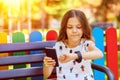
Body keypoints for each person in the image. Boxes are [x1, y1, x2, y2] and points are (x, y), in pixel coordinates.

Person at [43, 9, 103, 80]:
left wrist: (75, 56)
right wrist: (48, 65)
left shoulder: (86, 44)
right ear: (65, 29)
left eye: (79, 27)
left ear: (84, 28)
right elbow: (47, 74)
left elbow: (99, 53)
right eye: (70, 27)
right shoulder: (58, 46)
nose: (74, 31)